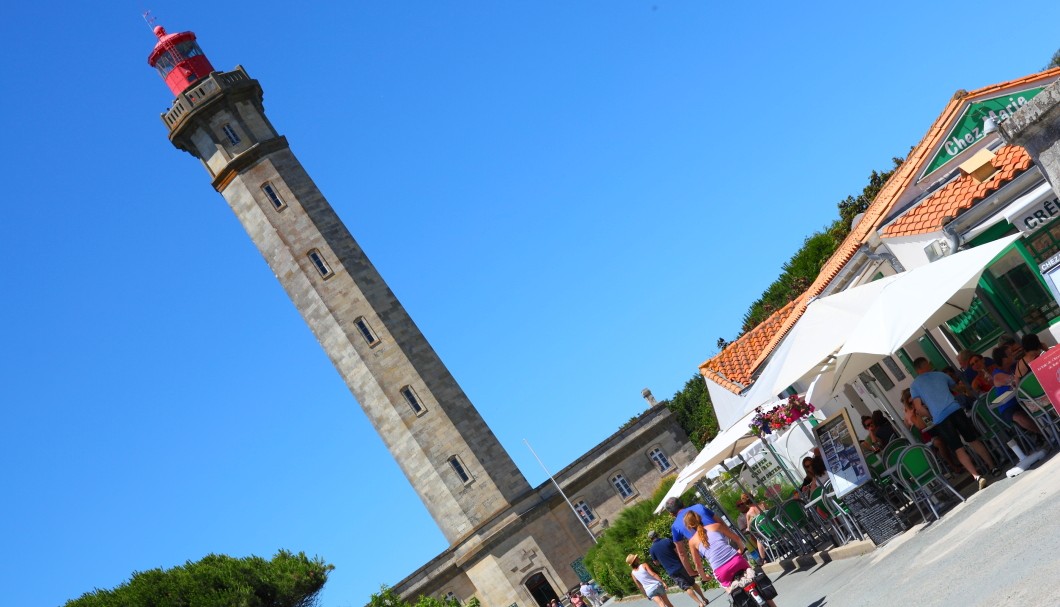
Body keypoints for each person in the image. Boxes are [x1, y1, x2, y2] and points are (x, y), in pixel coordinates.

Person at [909, 357, 997, 490]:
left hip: (941, 418)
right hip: (955, 410)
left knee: (958, 448)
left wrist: (932, 415)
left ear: (916, 370)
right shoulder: (940, 375)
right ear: (926, 365)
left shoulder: (915, 386)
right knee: (973, 440)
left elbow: (919, 408)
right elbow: (958, 388)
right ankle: (992, 466)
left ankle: (976, 476)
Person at [683, 510, 777, 607]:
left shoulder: (692, 542)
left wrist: (704, 577)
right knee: (758, 586)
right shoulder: (716, 526)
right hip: (737, 560)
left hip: (721, 571)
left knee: (734, 595)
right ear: (700, 518)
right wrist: (742, 550)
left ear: (689, 526)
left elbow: (698, 565)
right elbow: (737, 539)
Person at [648, 530, 710, 607]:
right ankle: (704, 598)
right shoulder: (667, 541)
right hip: (680, 565)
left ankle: (700, 603)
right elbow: (677, 551)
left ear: (650, 539)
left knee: (686, 587)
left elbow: (656, 563)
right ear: (658, 534)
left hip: (671, 571)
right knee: (692, 583)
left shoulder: (652, 549)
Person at [663, 496, 719, 581]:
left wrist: (691, 571)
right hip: (723, 539)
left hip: (709, 552)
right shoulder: (699, 506)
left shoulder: (675, 526)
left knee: (725, 581)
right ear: (683, 503)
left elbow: (681, 552)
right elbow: (719, 521)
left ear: (671, 514)